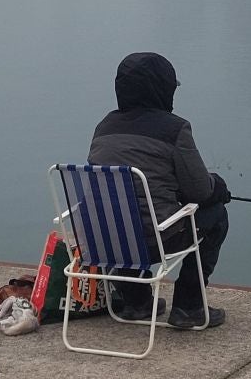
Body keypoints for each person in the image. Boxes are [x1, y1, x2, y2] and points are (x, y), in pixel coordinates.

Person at [87, 51, 229, 329]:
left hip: (106, 242)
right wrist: (219, 187)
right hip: (156, 241)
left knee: (118, 216)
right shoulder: (175, 129)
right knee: (216, 214)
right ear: (163, 89)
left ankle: (136, 301)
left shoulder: (104, 127)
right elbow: (200, 191)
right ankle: (189, 307)